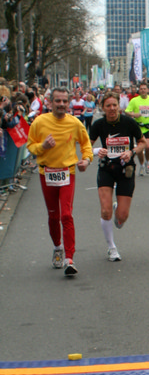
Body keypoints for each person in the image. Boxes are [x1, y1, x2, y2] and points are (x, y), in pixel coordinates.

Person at [26, 87, 93, 276]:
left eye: (64, 101)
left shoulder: (74, 123)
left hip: (67, 173)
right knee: (53, 216)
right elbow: (30, 146)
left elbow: (86, 143)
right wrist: (43, 146)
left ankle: (69, 258)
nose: (61, 104)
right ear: (50, 102)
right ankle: (57, 247)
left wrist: (86, 160)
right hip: (46, 172)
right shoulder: (39, 122)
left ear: (69, 103)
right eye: (58, 101)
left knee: (66, 215)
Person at [89, 90, 145, 261]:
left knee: (121, 217)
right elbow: (86, 147)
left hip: (126, 169)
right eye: (108, 106)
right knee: (105, 211)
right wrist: (97, 151)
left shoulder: (129, 122)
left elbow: (143, 143)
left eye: (114, 105)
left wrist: (132, 152)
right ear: (102, 107)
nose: (112, 108)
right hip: (106, 168)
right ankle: (111, 247)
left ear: (119, 105)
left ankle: (118, 212)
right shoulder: (98, 125)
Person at [125, 80, 149, 175]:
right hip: (138, 128)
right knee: (140, 149)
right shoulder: (134, 100)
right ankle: (141, 165)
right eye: (141, 89)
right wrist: (134, 114)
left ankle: (147, 162)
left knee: (147, 146)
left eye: (144, 89)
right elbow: (127, 111)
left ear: (148, 90)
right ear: (139, 90)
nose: (143, 90)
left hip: (148, 127)